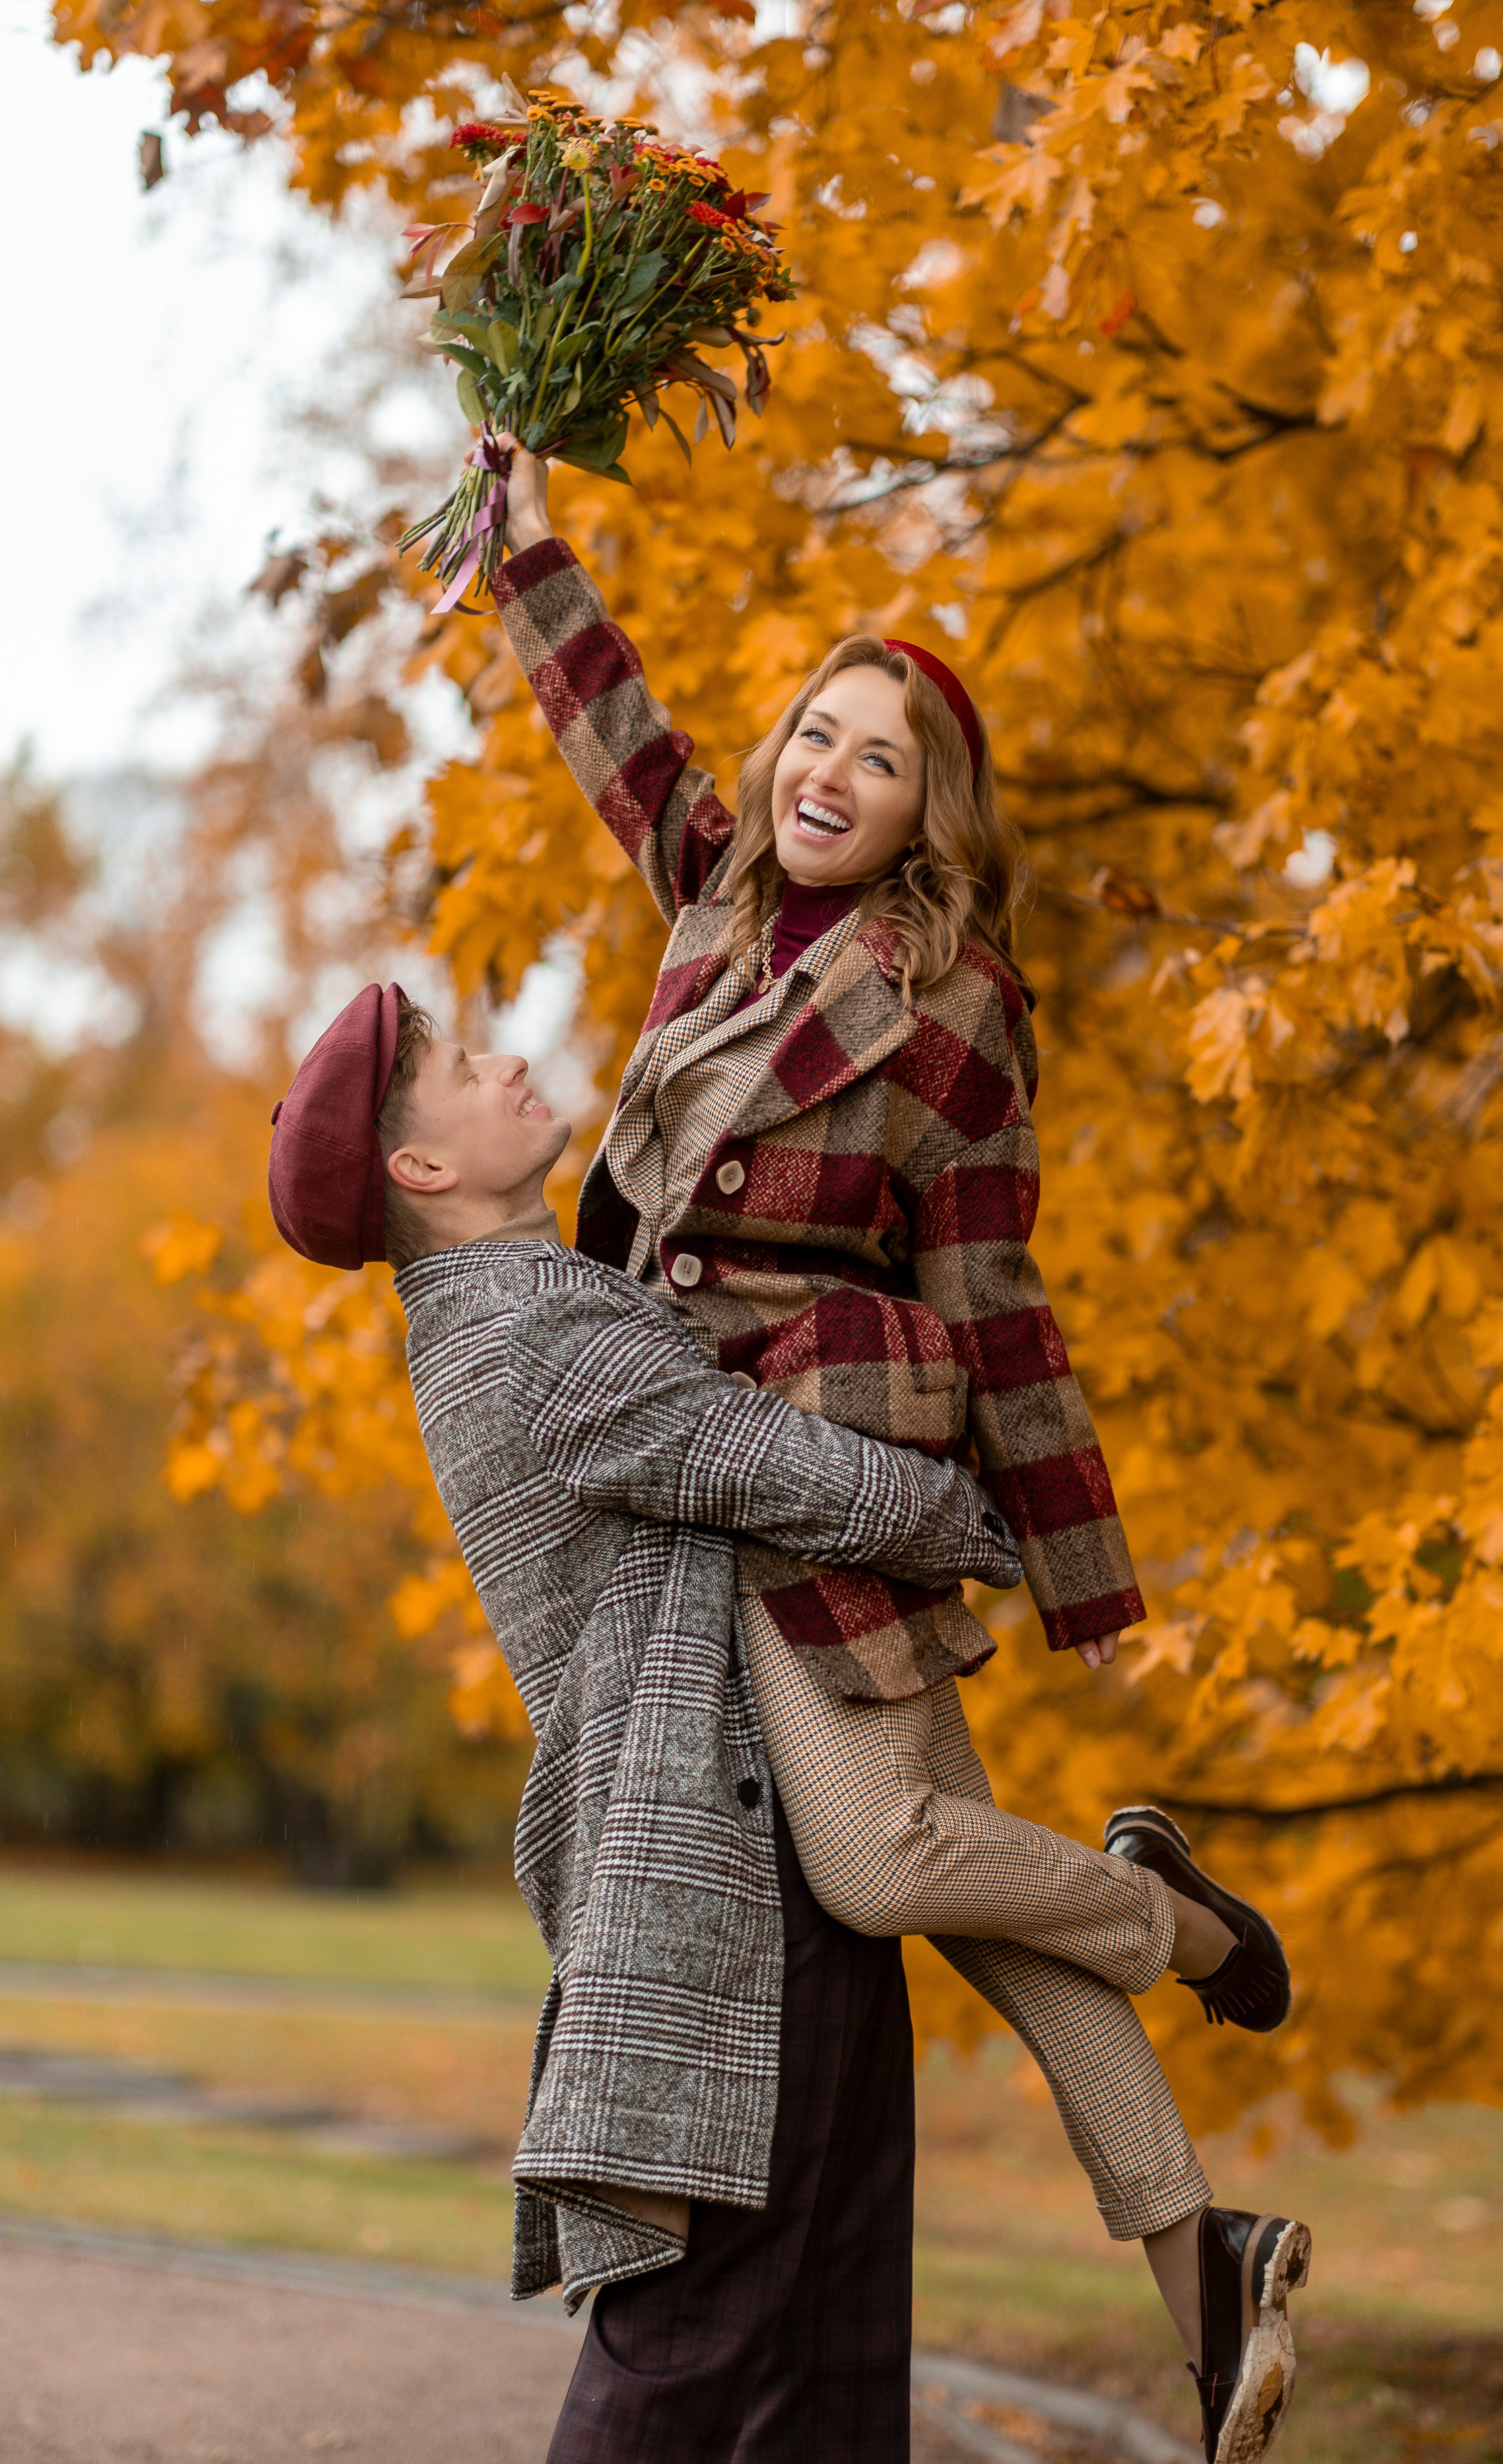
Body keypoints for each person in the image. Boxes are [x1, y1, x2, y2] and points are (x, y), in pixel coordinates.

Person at [479, 444, 1312, 2464]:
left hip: (818, 1456)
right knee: (981, 1913)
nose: (830, 773)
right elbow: (618, 730)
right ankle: (1205, 2250)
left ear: (937, 809)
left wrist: (1074, 1560)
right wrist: (520, 550)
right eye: (816, 734)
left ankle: (1185, 1925)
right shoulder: (714, 895)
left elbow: (1000, 1297)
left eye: (886, 756)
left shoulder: (956, 1009)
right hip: (701, 1446)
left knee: (887, 1863)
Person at [267, 980, 1022, 2464]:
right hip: (715, 1867)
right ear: (417, 1169)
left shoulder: (538, 1296)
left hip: (767, 1827)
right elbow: (758, 1460)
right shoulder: (519, 1329)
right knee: (703, 2335)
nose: (506, 1061)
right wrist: (979, 1519)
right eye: (459, 1068)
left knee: (829, 2325)